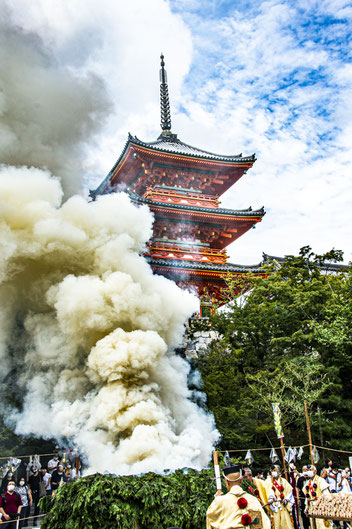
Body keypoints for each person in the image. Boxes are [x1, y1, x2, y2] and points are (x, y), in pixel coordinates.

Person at [206, 464, 271, 529]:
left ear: (227, 482)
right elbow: (265, 523)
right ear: (241, 480)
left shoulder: (220, 501)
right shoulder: (253, 499)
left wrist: (216, 501)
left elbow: (210, 518)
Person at [265, 464, 294, 529]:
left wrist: (286, 499)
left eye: (275, 470)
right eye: (272, 470)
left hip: (283, 505)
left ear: (278, 471)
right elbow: (268, 492)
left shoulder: (284, 481)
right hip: (275, 505)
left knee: (286, 522)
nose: (273, 472)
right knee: (277, 524)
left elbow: (290, 491)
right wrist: (271, 499)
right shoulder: (268, 482)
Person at [303, 465, 330, 529]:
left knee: (322, 525)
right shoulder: (307, 483)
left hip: (320, 506)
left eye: (310, 470)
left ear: (315, 471)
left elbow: (326, 494)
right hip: (312, 506)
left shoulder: (320, 480)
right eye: (308, 470)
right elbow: (307, 496)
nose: (309, 472)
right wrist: (306, 507)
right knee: (314, 525)